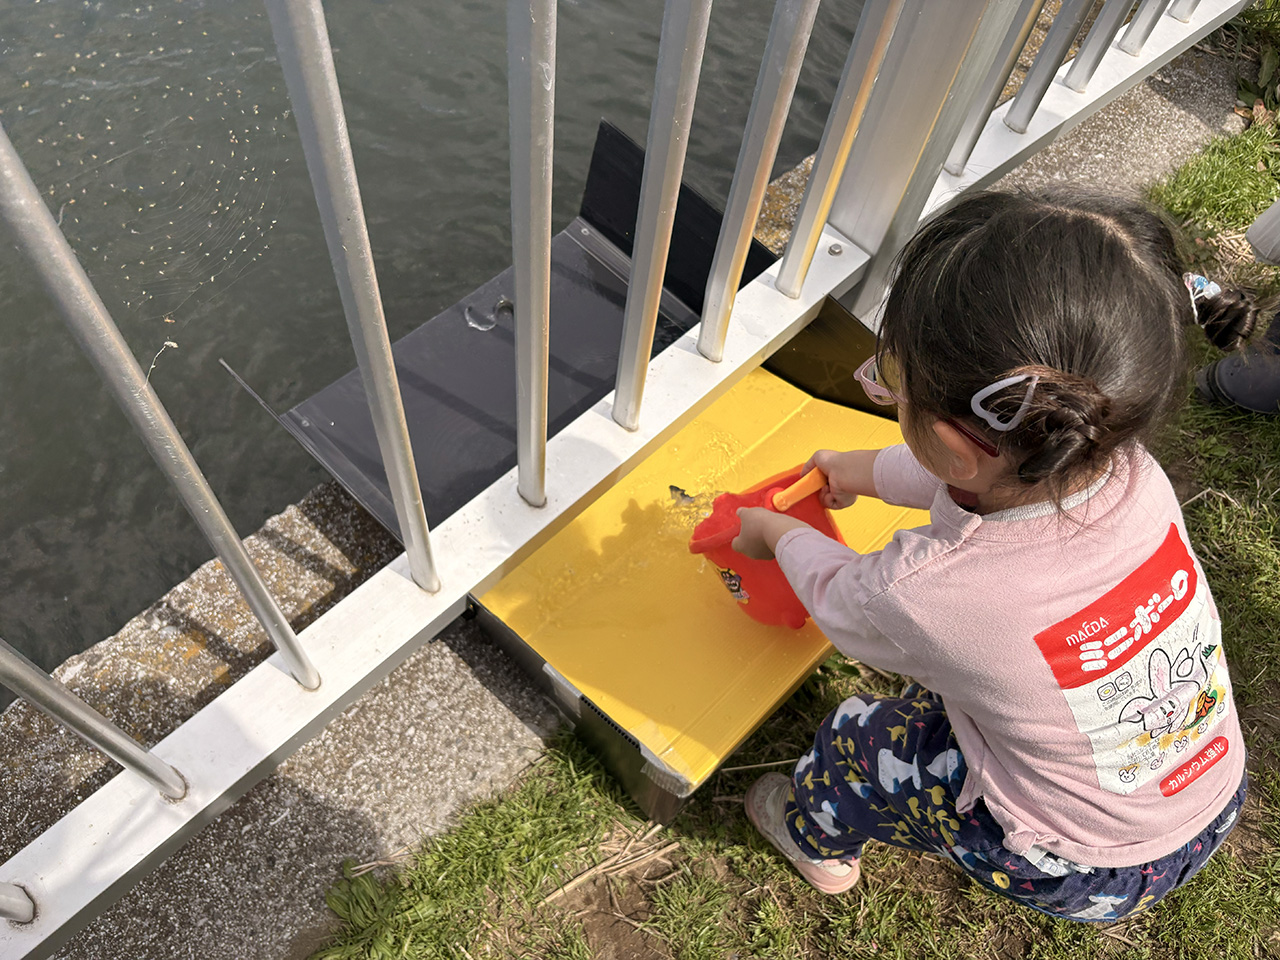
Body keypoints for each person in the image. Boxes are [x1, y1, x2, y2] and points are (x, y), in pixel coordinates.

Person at [729, 190, 1252, 922]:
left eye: (891, 378)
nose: (880, 385)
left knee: (861, 741)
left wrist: (775, 534)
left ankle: (814, 837)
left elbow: (842, 603)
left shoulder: (924, 591)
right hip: (1206, 792)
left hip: (1077, 861)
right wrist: (853, 471)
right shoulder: (1126, 469)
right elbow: (972, 474)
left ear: (952, 445)